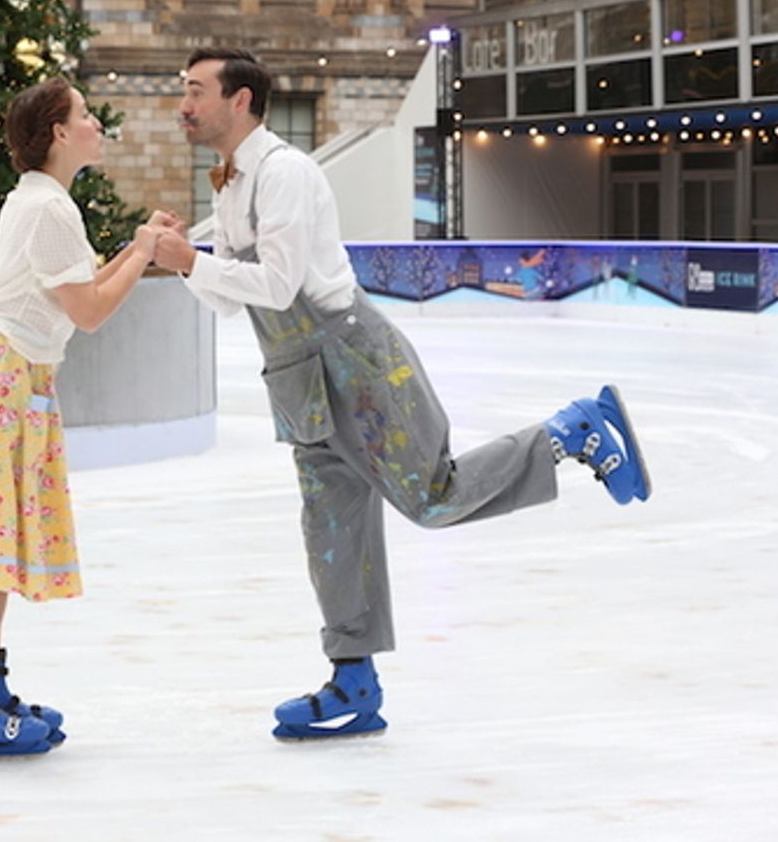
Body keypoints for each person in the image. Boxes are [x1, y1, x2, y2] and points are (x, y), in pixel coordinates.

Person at [151, 48, 651, 741]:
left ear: (240, 101)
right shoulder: (230, 184)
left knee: (432, 494)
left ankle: (570, 431)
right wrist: (190, 266)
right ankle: (352, 676)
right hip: (297, 376)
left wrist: (193, 261)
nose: (184, 103)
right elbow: (240, 303)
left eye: (196, 90)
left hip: (354, 361)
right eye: (184, 90)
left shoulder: (285, 173)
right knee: (331, 530)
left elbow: (279, 284)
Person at [0, 77, 168, 757]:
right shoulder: (48, 209)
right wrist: (143, 252)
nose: (94, 123)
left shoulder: (45, 202)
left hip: (2, 374)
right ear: (56, 132)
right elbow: (91, 312)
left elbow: (79, 292)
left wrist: (137, 248)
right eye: (83, 114)